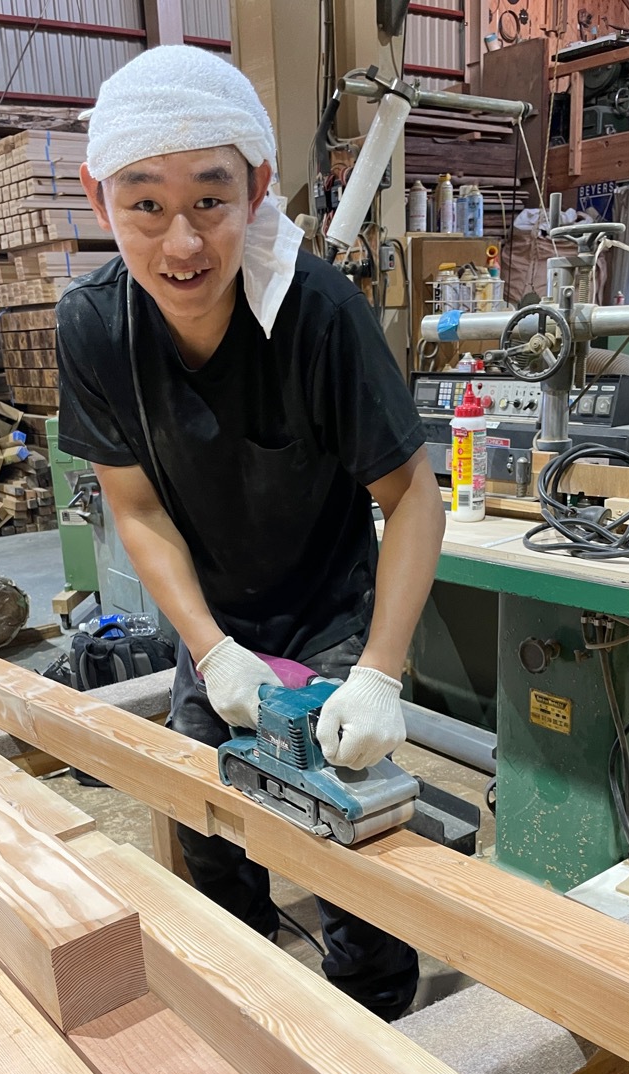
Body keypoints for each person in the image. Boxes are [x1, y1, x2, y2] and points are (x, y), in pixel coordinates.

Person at [58, 45, 445, 1022]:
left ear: (259, 188)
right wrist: (211, 650)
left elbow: (412, 497)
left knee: (353, 837)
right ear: (98, 198)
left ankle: (375, 1024)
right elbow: (137, 509)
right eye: (145, 204)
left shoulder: (318, 314)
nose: (181, 241)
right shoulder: (94, 327)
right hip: (215, 622)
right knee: (212, 825)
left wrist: (379, 673)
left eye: (210, 199)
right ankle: (247, 1006)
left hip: (330, 615)